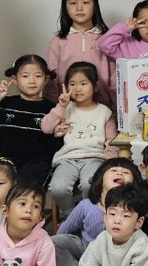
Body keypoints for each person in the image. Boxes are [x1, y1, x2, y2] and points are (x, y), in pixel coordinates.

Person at [0, 54, 61, 192]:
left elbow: (57, 143)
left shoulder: (52, 110)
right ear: (15, 79)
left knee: (24, 190)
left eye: (38, 76)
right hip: (4, 162)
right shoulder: (4, 104)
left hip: (37, 165)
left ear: (46, 80)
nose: (32, 81)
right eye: (25, 76)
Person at [40, 62, 116, 216]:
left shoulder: (104, 112)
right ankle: (72, 216)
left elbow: (112, 141)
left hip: (95, 158)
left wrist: (109, 164)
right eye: (72, 84)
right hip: (67, 159)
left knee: (90, 185)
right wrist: (61, 106)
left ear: (96, 86)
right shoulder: (65, 108)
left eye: (83, 83)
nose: (77, 89)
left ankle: (89, 216)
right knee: (58, 187)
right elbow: (46, 128)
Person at [53, 157, 140, 266]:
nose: (120, 173)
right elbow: (64, 230)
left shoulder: (133, 209)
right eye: (114, 170)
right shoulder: (86, 206)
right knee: (54, 242)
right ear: (101, 179)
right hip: (85, 247)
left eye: (126, 172)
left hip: (113, 254)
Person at [45, 0, 114, 109]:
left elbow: (115, 79)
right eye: (73, 3)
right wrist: (53, 109)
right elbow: (51, 81)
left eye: (85, 2)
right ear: (65, 7)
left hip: (102, 109)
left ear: (95, 5)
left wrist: (115, 111)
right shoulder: (57, 41)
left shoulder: (107, 40)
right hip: (67, 110)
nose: (79, 8)